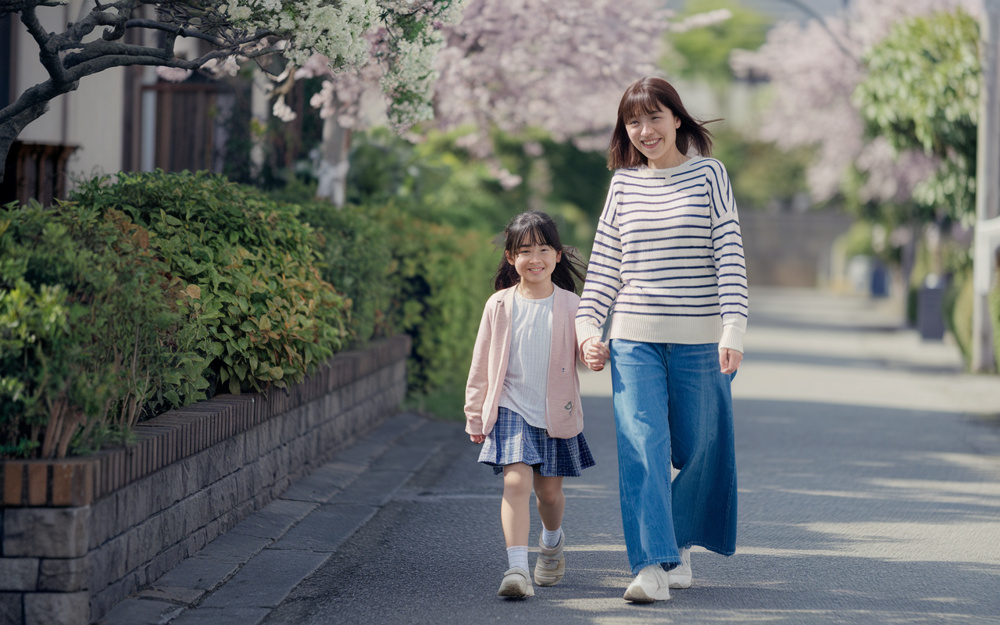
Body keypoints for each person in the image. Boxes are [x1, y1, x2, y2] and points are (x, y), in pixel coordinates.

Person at [577, 76, 748, 603]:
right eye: (634, 122)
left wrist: (733, 327)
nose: (645, 131)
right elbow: (605, 264)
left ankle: (679, 543)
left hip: (700, 338)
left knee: (698, 449)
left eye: (654, 118)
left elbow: (730, 254)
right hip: (634, 337)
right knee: (642, 448)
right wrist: (589, 328)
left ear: (677, 118)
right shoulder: (623, 185)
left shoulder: (708, 176)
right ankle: (650, 565)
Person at [465, 211, 594, 599]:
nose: (533, 257)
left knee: (549, 495)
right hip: (510, 407)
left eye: (542, 249)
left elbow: (586, 347)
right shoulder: (499, 305)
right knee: (516, 482)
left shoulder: (572, 304)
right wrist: (475, 413)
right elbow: (481, 361)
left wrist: (594, 352)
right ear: (510, 257)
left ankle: (551, 544)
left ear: (557, 255)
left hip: (555, 411)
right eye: (524, 250)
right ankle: (517, 569)